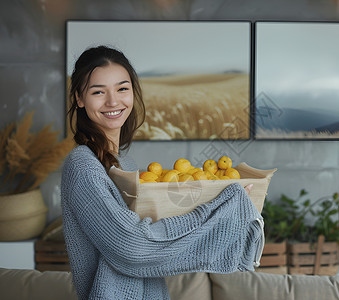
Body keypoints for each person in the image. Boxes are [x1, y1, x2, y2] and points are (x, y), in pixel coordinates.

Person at [61, 45, 263, 300]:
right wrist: (220, 210)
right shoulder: (82, 165)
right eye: (98, 92)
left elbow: (153, 237)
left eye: (122, 89)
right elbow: (133, 248)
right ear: (79, 98)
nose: (113, 101)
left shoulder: (125, 163)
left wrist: (220, 205)